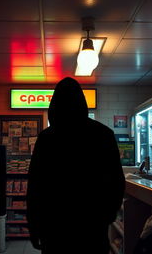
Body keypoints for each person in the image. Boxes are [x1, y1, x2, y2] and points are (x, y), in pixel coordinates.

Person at [26, 77, 125, 254]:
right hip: (92, 226)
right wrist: (108, 216)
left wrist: (34, 226)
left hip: (55, 228)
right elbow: (116, 182)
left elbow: (36, 186)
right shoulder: (104, 134)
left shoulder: (46, 138)